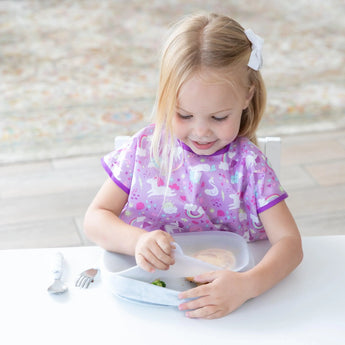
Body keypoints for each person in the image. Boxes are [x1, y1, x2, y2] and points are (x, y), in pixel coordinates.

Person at [84, 12, 303, 319]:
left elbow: (290, 244)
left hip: (229, 305)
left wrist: (247, 285)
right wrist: (138, 241)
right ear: (164, 99)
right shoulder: (145, 149)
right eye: (184, 115)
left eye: (218, 117)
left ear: (246, 97)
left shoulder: (249, 165)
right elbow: (95, 219)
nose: (201, 132)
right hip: (146, 300)